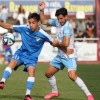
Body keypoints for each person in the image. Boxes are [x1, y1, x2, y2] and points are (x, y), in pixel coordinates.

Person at [0, 13, 64, 100]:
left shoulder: (43, 34)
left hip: (32, 58)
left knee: (31, 70)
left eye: (33, 23)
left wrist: (64, 47)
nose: (30, 25)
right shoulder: (24, 28)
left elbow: (54, 43)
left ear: (38, 23)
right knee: (12, 63)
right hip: (21, 53)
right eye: (29, 22)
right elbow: (9, 26)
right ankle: (2, 81)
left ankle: (27, 95)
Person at [39, 1, 94, 100]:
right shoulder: (57, 22)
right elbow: (44, 22)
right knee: (48, 74)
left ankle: (89, 95)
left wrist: (55, 44)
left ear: (66, 17)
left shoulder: (67, 28)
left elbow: (66, 44)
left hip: (69, 56)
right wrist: (42, 10)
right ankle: (55, 92)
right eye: (58, 18)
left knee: (72, 76)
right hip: (60, 55)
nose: (60, 20)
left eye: (61, 18)